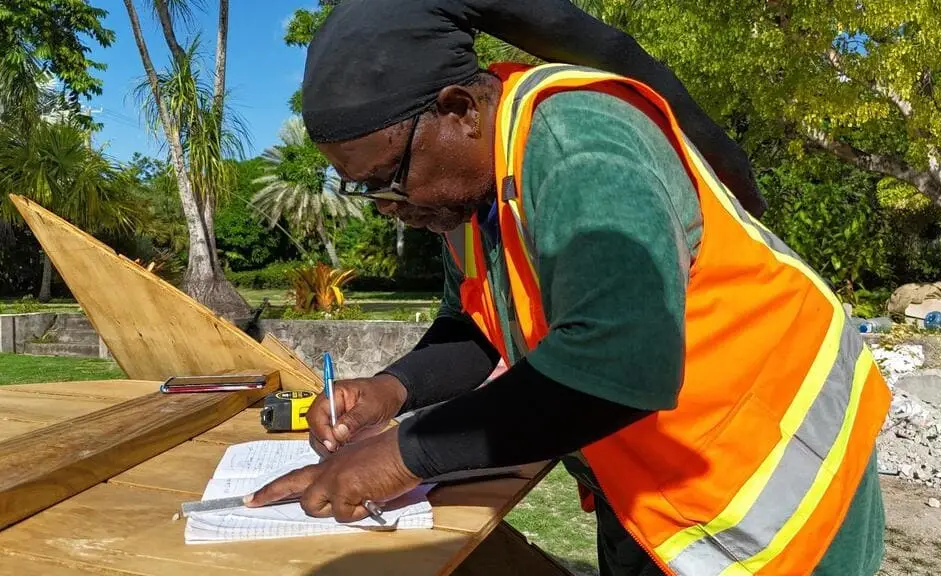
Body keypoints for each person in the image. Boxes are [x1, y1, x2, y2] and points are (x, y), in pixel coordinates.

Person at [246, 1, 892, 574]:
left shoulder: (579, 143)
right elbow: (473, 327)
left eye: (387, 177)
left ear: (459, 110)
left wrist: (405, 454)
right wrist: (391, 390)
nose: (387, 206)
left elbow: (617, 360)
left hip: (782, 484)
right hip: (656, 490)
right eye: (363, 190)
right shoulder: (466, 195)